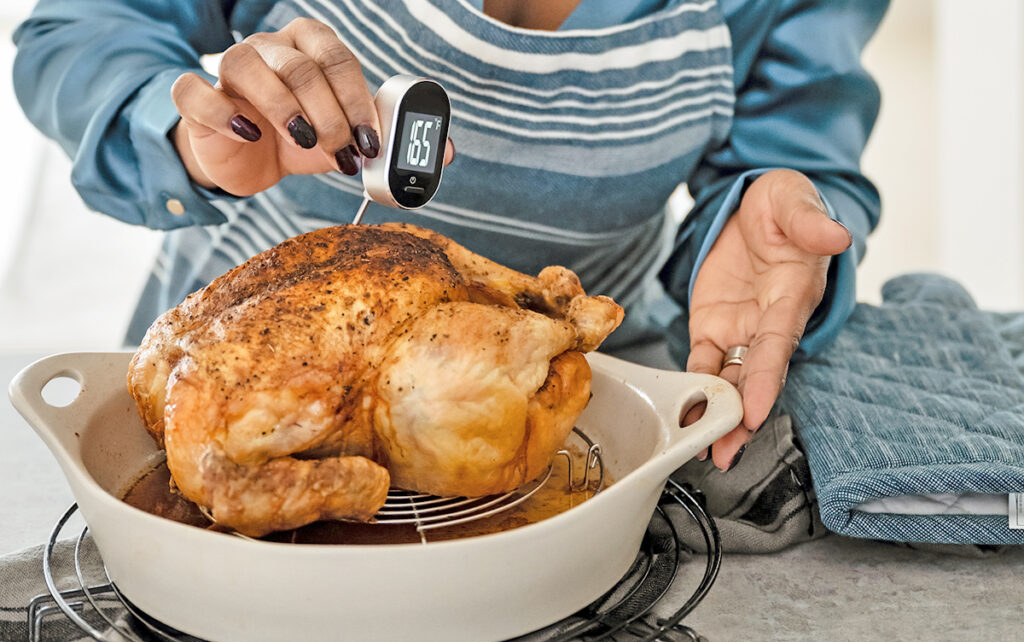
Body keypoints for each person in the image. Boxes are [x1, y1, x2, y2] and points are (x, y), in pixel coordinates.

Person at [13, 0, 887, 472]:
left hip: (562, 423)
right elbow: (77, 33)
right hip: (231, 390)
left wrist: (764, 214)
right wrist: (179, 126)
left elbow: (799, 164)